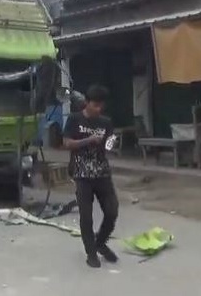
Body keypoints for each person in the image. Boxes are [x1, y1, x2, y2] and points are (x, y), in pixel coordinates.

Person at [60, 84, 119, 268]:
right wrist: (89, 140)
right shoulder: (74, 119)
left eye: (101, 105)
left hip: (102, 173)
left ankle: (100, 242)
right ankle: (91, 252)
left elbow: (110, 144)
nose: (98, 109)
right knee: (86, 216)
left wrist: (111, 143)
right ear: (87, 103)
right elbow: (67, 143)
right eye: (95, 105)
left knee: (112, 211)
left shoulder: (105, 122)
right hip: (81, 173)